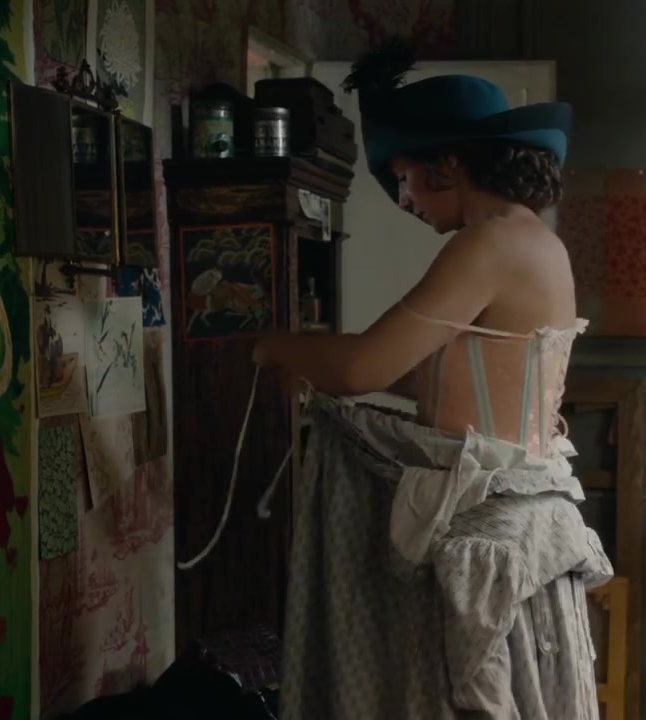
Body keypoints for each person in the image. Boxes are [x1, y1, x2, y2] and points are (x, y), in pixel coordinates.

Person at [253, 39, 613, 719]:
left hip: (491, 523)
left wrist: (276, 347)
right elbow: (454, 381)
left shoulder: (488, 243)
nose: (403, 199)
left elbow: (361, 366)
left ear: (448, 164)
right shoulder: (536, 240)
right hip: (524, 515)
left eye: (405, 177)